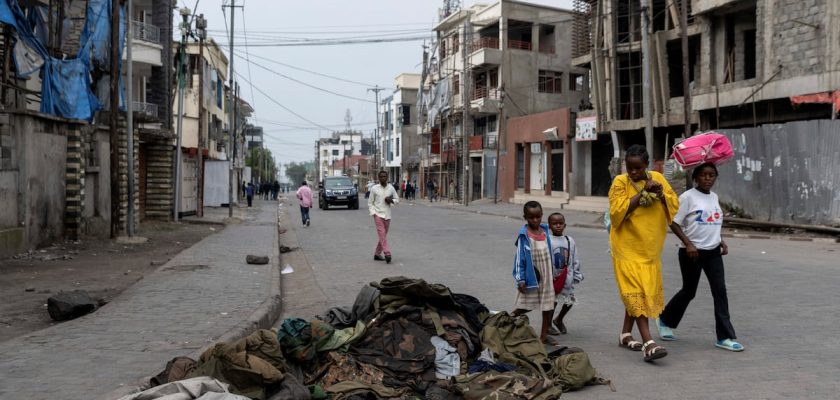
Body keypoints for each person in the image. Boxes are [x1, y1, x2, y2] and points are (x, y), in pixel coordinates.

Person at [657, 163, 743, 352]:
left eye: (711, 175)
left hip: (712, 252)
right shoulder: (687, 197)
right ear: (695, 177)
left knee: (720, 291)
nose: (707, 178)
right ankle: (664, 319)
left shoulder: (714, 197)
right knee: (689, 291)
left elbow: (712, 221)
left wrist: (720, 239)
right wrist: (688, 244)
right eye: (703, 175)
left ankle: (725, 337)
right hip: (692, 252)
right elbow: (673, 222)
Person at [608, 144, 678, 362]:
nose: (633, 173)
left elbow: (674, 205)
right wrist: (643, 193)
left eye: (638, 168)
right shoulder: (620, 182)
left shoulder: (657, 177)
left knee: (639, 294)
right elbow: (617, 212)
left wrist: (661, 194)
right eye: (630, 168)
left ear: (646, 165)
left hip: (649, 251)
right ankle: (649, 343)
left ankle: (625, 335)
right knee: (636, 293)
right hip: (626, 250)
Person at [511, 201, 557, 345]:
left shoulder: (545, 231)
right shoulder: (524, 236)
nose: (535, 220)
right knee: (525, 305)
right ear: (525, 217)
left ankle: (543, 336)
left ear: (542, 215)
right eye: (531, 217)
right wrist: (520, 279)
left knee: (548, 305)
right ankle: (507, 320)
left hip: (547, 275)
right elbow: (519, 259)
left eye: (538, 217)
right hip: (532, 275)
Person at [547, 212, 582, 335]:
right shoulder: (547, 240)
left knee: (570, 300)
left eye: (560, 223)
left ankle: (559, 319)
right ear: (549, 226)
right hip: (553, 277)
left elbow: (574, 258)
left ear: (565, 225)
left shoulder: (569, 240)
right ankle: (548, 324)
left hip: (567, 277)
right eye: (554, 224)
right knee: (553, 301)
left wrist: (576, 274)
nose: (558, 226)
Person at [368, 170, 399, 264]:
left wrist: (391, 200)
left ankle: (377, 254)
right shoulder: (374, 188)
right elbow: (370, 202)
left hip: (387, 215)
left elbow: (397, 199)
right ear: (378, 178)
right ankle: (387, 253)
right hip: (378, 214)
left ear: (387, 177)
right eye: (381, 177)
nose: (383, 178)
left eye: (384, 176)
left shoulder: (391, 188)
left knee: (383, 235)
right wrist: (373, 213)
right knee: (382, 234)